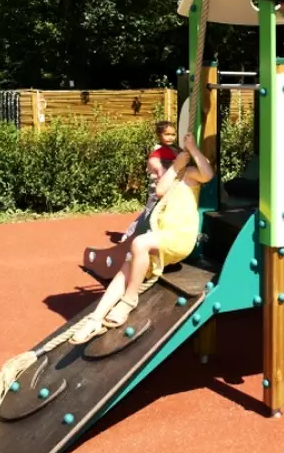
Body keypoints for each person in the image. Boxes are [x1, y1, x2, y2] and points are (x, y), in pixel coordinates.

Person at [70, 132, 214, 343]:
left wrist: (191, 149)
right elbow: (161, 189)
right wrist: (173, 168)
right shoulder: (170, 181)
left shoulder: (189, 177)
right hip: (161, 239)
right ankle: (96, 318)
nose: (153, 176)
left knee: (139, 242)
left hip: (179, 239)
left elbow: (208, 174)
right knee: (126, 268)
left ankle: (129, 299)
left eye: (156, 171)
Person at [120, 120, 179, 241]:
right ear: (159, 135)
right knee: (150, 212)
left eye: (173, 134)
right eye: (167, 134)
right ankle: (129, 235)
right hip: (157, 187)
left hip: (169, 186)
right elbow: (157, 166)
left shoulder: (174, 149)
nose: (170, 137)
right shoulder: (159, 150)